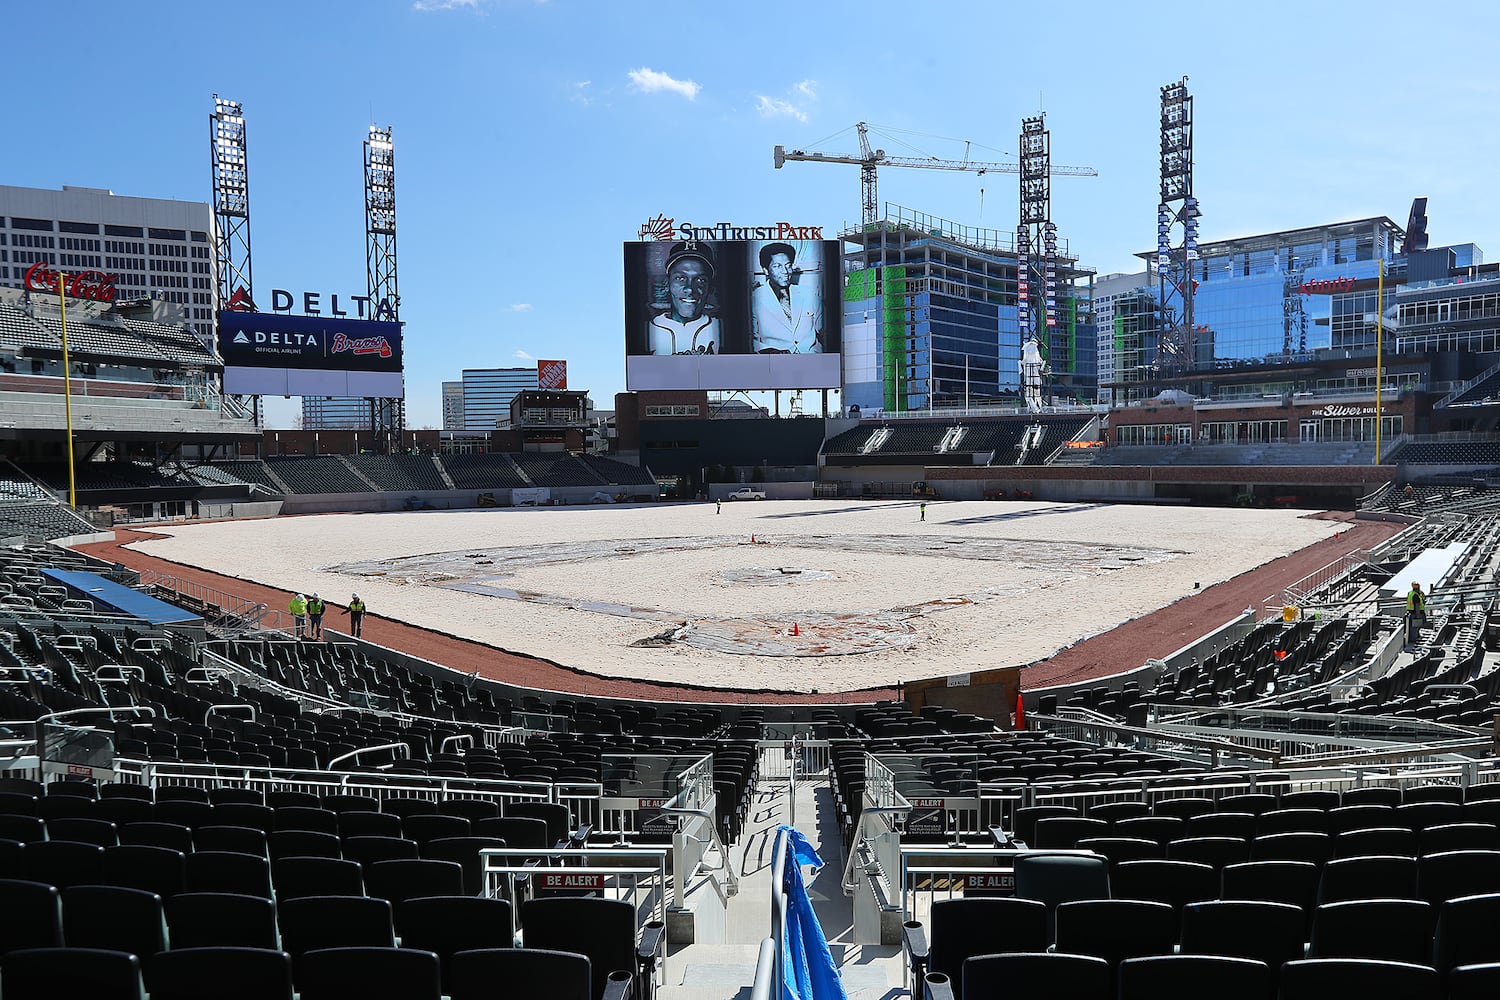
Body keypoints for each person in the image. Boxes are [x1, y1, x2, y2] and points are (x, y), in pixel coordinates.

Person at [646, 241, 720, 355]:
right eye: (681, 278)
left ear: (710, 288)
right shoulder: (648, 331)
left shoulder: (719, 331)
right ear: (667, 284)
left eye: (700, 280)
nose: (690, 289)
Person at [751, 242, 823, 354]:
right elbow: (752, 340)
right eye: (777, 266)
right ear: (765, 270)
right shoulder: (755, 299)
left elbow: (823, 329)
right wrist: (769, 351)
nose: (785, 271)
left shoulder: (809, 293)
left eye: (788, 265)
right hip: (775, 364)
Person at [1406, 581, 1427, 648]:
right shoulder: (1415, 595)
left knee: (1415, 627)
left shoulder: (1411, 593)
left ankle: (1416, 636)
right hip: (1416, 613)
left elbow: (1422, 599)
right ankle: (1413, 640)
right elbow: (1417, 605)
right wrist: (1418, 615)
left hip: (1411, 612)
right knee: (1415, 627)